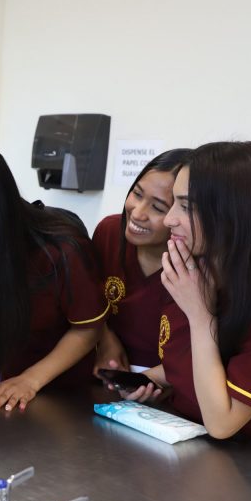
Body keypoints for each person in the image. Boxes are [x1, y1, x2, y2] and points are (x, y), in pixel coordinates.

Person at [112, 141, 251, 441]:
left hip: (248, 460)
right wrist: (145, 380)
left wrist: (200, 315)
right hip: (181, 440)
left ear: (233, 216)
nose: (170, 219)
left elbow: (222, 425)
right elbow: (188, 362)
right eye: (172, 204)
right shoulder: (195, 270)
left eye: (185, 206)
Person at [0, 145, 107, 411]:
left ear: (0, 216)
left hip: (69, 397)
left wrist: (31, 379)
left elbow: (88, 329)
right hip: (14, 385)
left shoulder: (61, 252)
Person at [92, 148, 192, 372]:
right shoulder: (109, 232)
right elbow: (86, 300)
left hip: (169, 384)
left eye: (157, 207)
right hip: (105, 374)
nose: (137, 213)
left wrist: (149, 379)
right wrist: (104, 336)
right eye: (137, 194)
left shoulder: (195, 263)